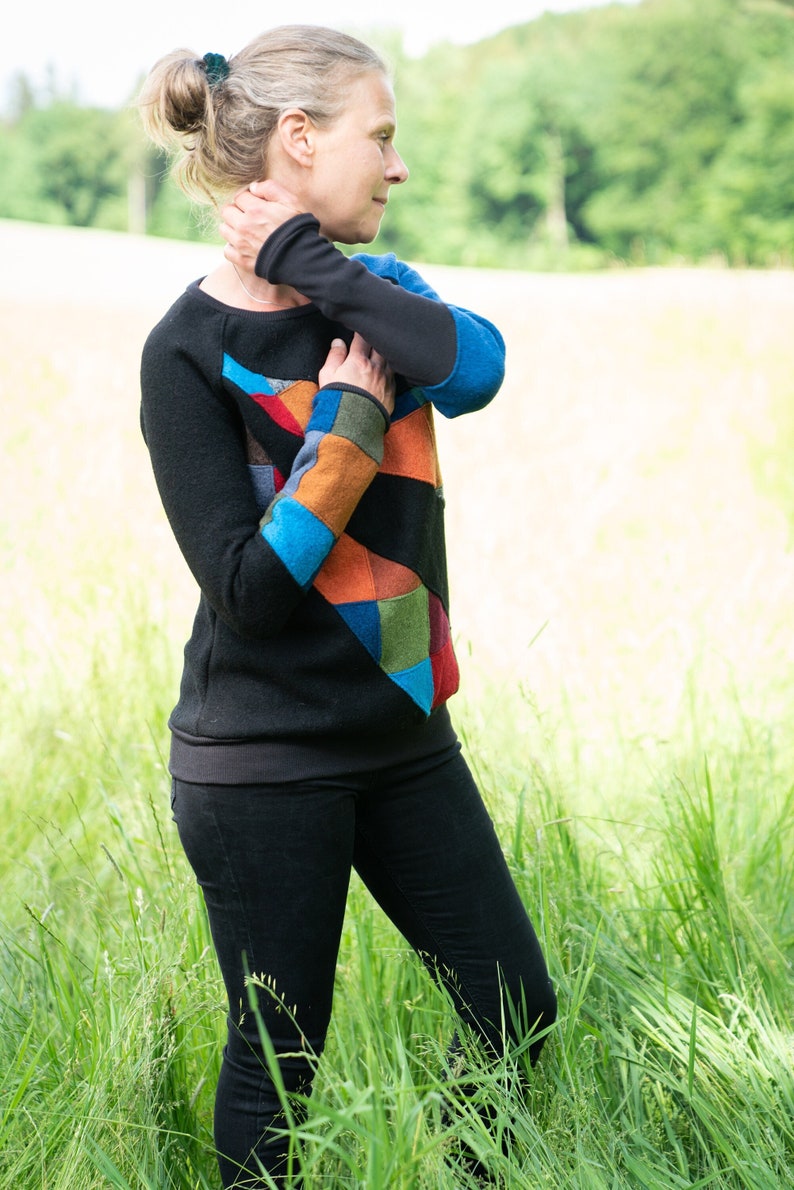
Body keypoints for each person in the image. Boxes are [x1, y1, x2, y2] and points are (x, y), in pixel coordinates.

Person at [138, 25, 556, 1188]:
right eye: (382, 136)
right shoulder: (186, 351)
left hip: (404, 739)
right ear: (301, 137)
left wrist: (312, 266)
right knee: (280, 1065)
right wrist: (344, 432)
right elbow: (249, 595)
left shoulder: (378, 298)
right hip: (263, 759)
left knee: (513, 1005)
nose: (397, 164)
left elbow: (471, 371)